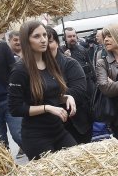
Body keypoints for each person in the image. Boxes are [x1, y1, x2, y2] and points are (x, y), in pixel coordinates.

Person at [8, 20, 78, 160]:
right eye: (37, 36)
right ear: (26, 41)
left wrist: (66, 97)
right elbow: (15, 108)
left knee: (78, 163)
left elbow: (51, 94)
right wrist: (47, 108)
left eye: (45, 35)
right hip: (36, 137)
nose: (43, 40)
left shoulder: (50, 63)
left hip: (59, 130)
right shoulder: (20, 70)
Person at [47, 26, 92, 144]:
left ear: (56, 42)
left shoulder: (70, 63)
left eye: (50, 41)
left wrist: (48, 98)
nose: (45, 45)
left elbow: (79, 91)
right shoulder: (30, 68)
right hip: (48, 128)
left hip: (77, 123)